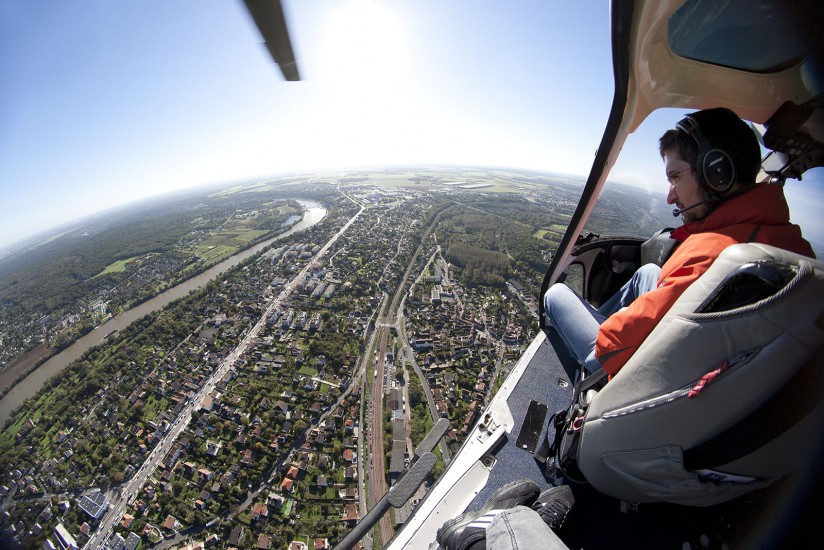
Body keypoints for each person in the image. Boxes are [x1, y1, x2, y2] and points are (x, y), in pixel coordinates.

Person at [544, 107, 815, 378]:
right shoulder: (794, 248)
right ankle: (600, 325)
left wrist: (615, 330)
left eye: (675, 178)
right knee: (647, 273)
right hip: (690, 354)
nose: (670, 198)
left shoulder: (712, 253)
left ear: (716, 172)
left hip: (625, 366)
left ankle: (584, 367)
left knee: (554, 294)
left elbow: (614, 349)